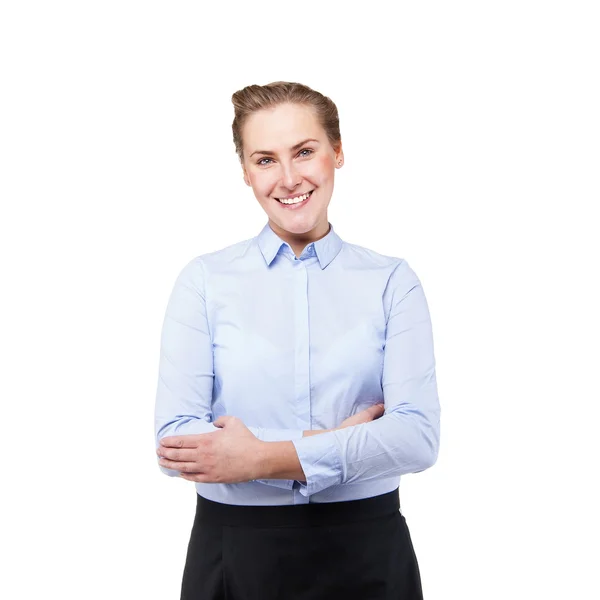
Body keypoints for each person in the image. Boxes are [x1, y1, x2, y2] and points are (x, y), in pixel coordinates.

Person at [154, 81, 441, 600]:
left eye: (304, 152)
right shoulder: (204, 281)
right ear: (245, 171)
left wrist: (258, 457)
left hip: (368, 552)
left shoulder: (391, 282)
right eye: (265, 159)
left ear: (337, 151)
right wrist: (335, 445)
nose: (289, 179)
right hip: (233, 556)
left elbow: (416, 439)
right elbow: (177, 444)